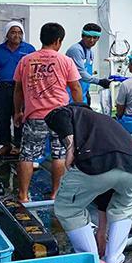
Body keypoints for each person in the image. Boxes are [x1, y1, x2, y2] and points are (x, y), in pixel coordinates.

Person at [45, 103, 132, 263]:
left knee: (68, 208)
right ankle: (113, 259)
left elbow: (56, 114)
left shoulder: (72, 112)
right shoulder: (105, 122)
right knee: (124, 205)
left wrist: (70, 146)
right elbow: (106, 189)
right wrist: (101, 231)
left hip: (94, 162)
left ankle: (91, 262)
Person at [13, 22, 83, 203]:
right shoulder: (65, 61)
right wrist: (79, 110)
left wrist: (18, 111)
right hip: (60, 116)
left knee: (27, 155)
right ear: (58, 41)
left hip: (34, 116)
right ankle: (55, 194)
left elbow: (18, 90)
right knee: (59, 154)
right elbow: (75, 87)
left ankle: (23, 195)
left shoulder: (26, 60)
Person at [0, 22, 35, 157]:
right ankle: (5, 144)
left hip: (22, 88)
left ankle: (18, 145)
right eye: (13, 32)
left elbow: (35, 70)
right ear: (7, 34)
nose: (16, 35)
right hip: (2, 88)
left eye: (19, 32)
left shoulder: (29, 49)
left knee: (19, 117)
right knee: (2, 117)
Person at [65, 23, 111, 105]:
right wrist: (99, 81)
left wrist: (87, 91)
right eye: (89, 37)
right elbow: (81, 73)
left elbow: (87, 73)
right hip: (72, 95)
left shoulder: (90, 52)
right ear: (82, 36)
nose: (92, 40)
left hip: (83, 94)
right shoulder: (75, 50)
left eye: (95, 37)